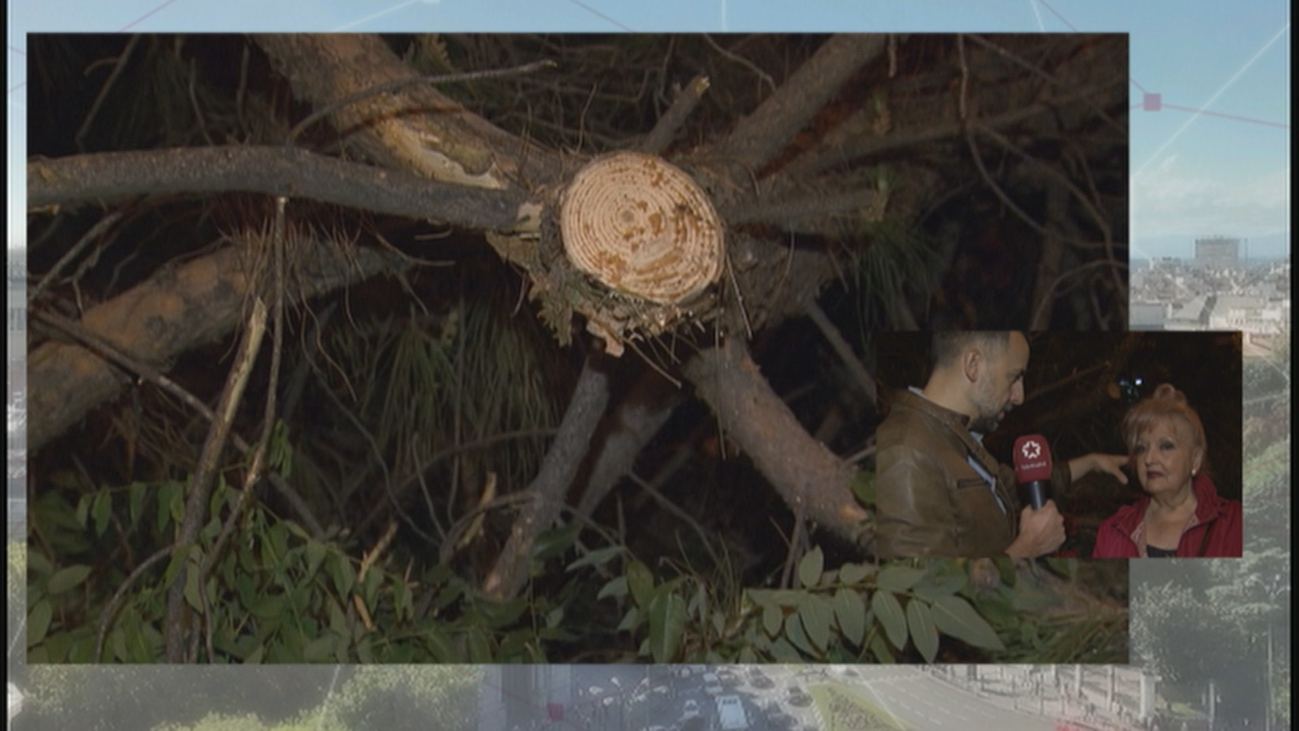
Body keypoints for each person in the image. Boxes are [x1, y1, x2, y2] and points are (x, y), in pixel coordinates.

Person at [875, 332, 1128, 558]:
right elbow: (924, 597)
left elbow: (1017, 487)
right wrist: (1026, 549)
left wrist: (1092, 462)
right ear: (973, 365)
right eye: (1014, 377)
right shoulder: (907, 453)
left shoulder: (958, 439)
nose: (1019, 397)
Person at [1092, 384, 1242, 558]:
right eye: (1141, 449)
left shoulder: (1235, 524)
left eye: (1166, 446)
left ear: (1196, 459)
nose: (1149, 459)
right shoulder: (1113, 532)